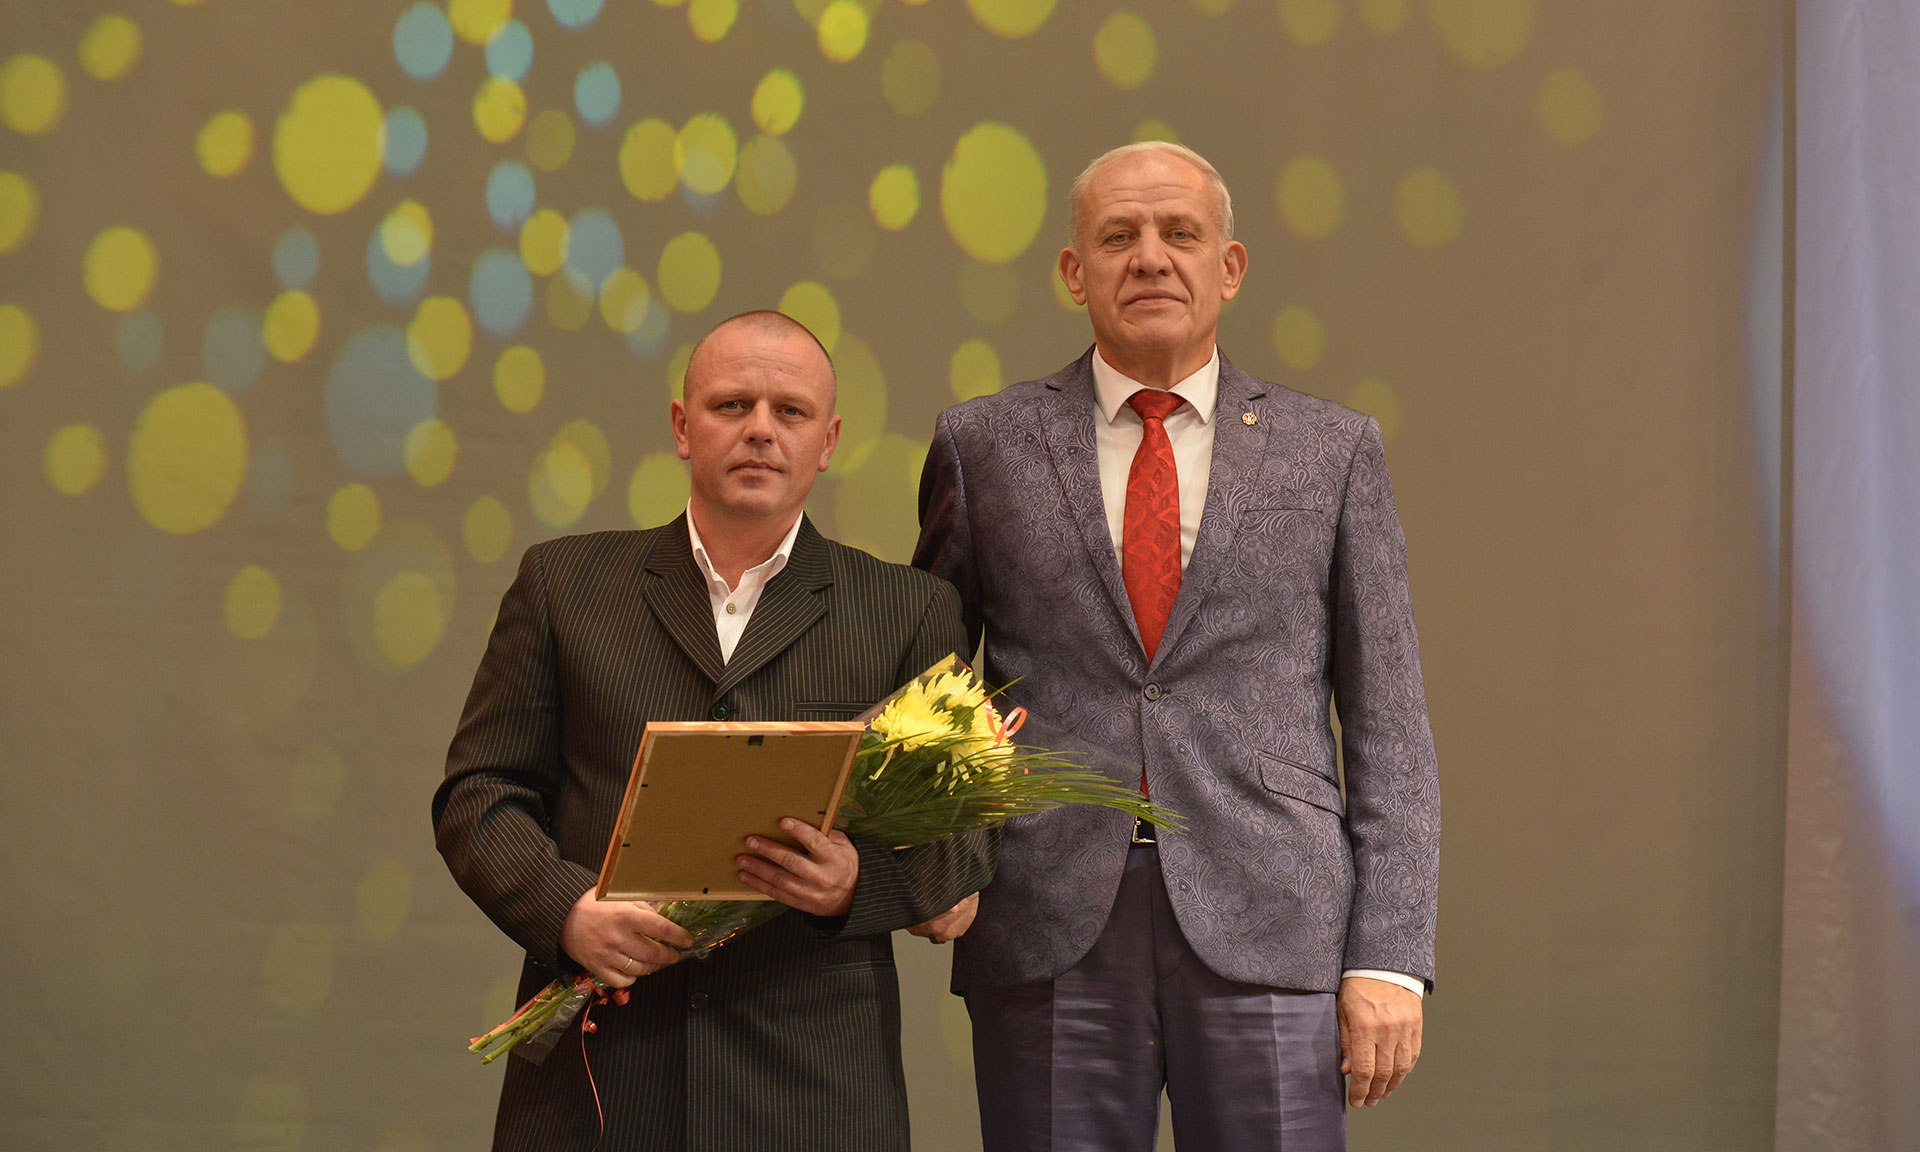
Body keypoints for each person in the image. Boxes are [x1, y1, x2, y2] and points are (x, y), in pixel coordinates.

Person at [913, 142, 1441, 1151]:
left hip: (1275, 915)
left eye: (1179, 234)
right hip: (1047, 918)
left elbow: (1391, 725)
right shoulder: (983, 445)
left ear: (1229, 267)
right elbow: (931, 684)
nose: (1150, 257)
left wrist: (1389, 954)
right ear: (1074, 273)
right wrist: (938, 859)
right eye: (1118, 236)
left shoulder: (1333, 452)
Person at [434, 310, 993, 1151]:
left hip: (814, 1089)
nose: (760, 430)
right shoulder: (562, 584)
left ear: (828, 441)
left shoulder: (910, 609)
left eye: (790, 411)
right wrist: (567, 912)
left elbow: (967, 843)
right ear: (681, 427)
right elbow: (479, 794)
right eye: (732, 405)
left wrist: (854, 884)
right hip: (603, 1080)